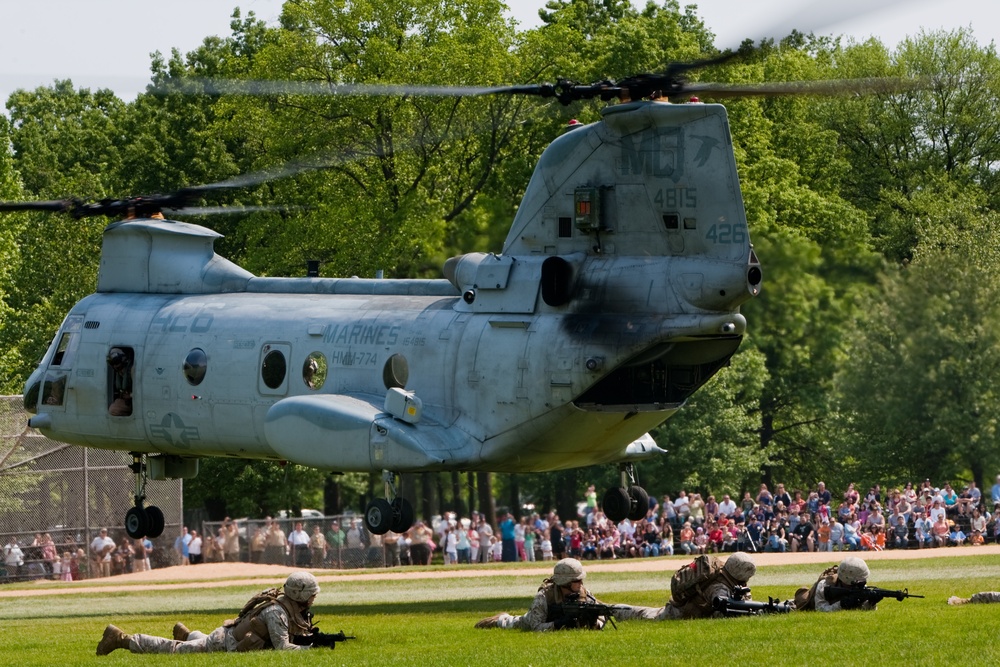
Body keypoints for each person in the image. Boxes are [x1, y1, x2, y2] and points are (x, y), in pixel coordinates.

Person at [96, 572, 322, 654]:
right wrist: (310, 650)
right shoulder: (277, 612)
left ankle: (188, 635)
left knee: (194, 644)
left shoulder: (291, 607)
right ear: (299, 594)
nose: (314, 598)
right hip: (224, 643)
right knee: (174, 651)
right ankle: (121, 639)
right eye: (312, 594)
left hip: (227, 638)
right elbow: (282, 647)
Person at [614, 552, 758, 621]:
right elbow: (722, 613)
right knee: (642, 615)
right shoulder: (719, 588)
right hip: (676, 614)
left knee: (644, 613)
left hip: (683, 610)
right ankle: (610, 610)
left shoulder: (724, 576)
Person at [474, 558, 607, 630]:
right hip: (525, 622)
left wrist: (595, 622)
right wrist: (558, 624)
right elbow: (535, 626)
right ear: (565, 582)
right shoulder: (544, 596)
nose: (581, 583)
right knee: (509, 622)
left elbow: (602, 615)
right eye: (577, 580)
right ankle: (500, 619)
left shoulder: (584, 593)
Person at [793, 556, 876, 611]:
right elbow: (820, 609)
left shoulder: (858, 586)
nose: (863, 582)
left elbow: (861, 608)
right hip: (810, 603)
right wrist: (841, 604)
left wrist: (871, 603)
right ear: (850, 580)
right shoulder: (825, 585)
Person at [107, 347, 133, 416]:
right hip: (125, 400)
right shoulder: (119, 373)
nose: (115, 365)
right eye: (112, 363)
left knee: (114, 410)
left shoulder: (132, 371)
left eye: (116, 361)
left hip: (134, 401)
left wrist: (130, 395)